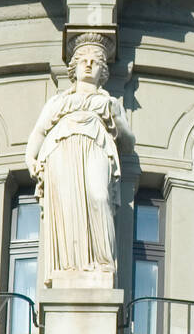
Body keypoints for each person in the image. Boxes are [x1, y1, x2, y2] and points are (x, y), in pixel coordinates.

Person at [25, 34, 133, 286]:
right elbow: (40, 131)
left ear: (102, 70)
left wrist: (117, 119)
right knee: (66, 204)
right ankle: (69, 266)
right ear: (73, 69)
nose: (88, 65)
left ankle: (102, 263)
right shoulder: (59, 101)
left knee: (98, 196)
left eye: (94, 62)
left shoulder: (109, 103)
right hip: (61, 149)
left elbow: (127, 143)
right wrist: (30, 158)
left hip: (95, 145)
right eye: (82, 61)